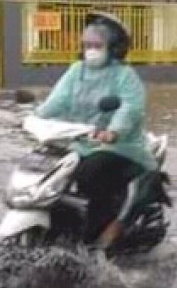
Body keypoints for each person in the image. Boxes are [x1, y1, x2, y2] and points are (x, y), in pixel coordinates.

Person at [34, 12, 157, 246]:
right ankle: (59, 228)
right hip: (82, 142)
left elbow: (130, 108)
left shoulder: (124, 75)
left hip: (121, 146)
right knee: (49, 171)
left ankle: (99, 231)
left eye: (97, 45)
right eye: (87, 45)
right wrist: (34, 117)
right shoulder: (76, 71)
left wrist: (114, 131)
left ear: (113, 47)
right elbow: (58, 101)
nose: (91, 50)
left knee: (89, 173)